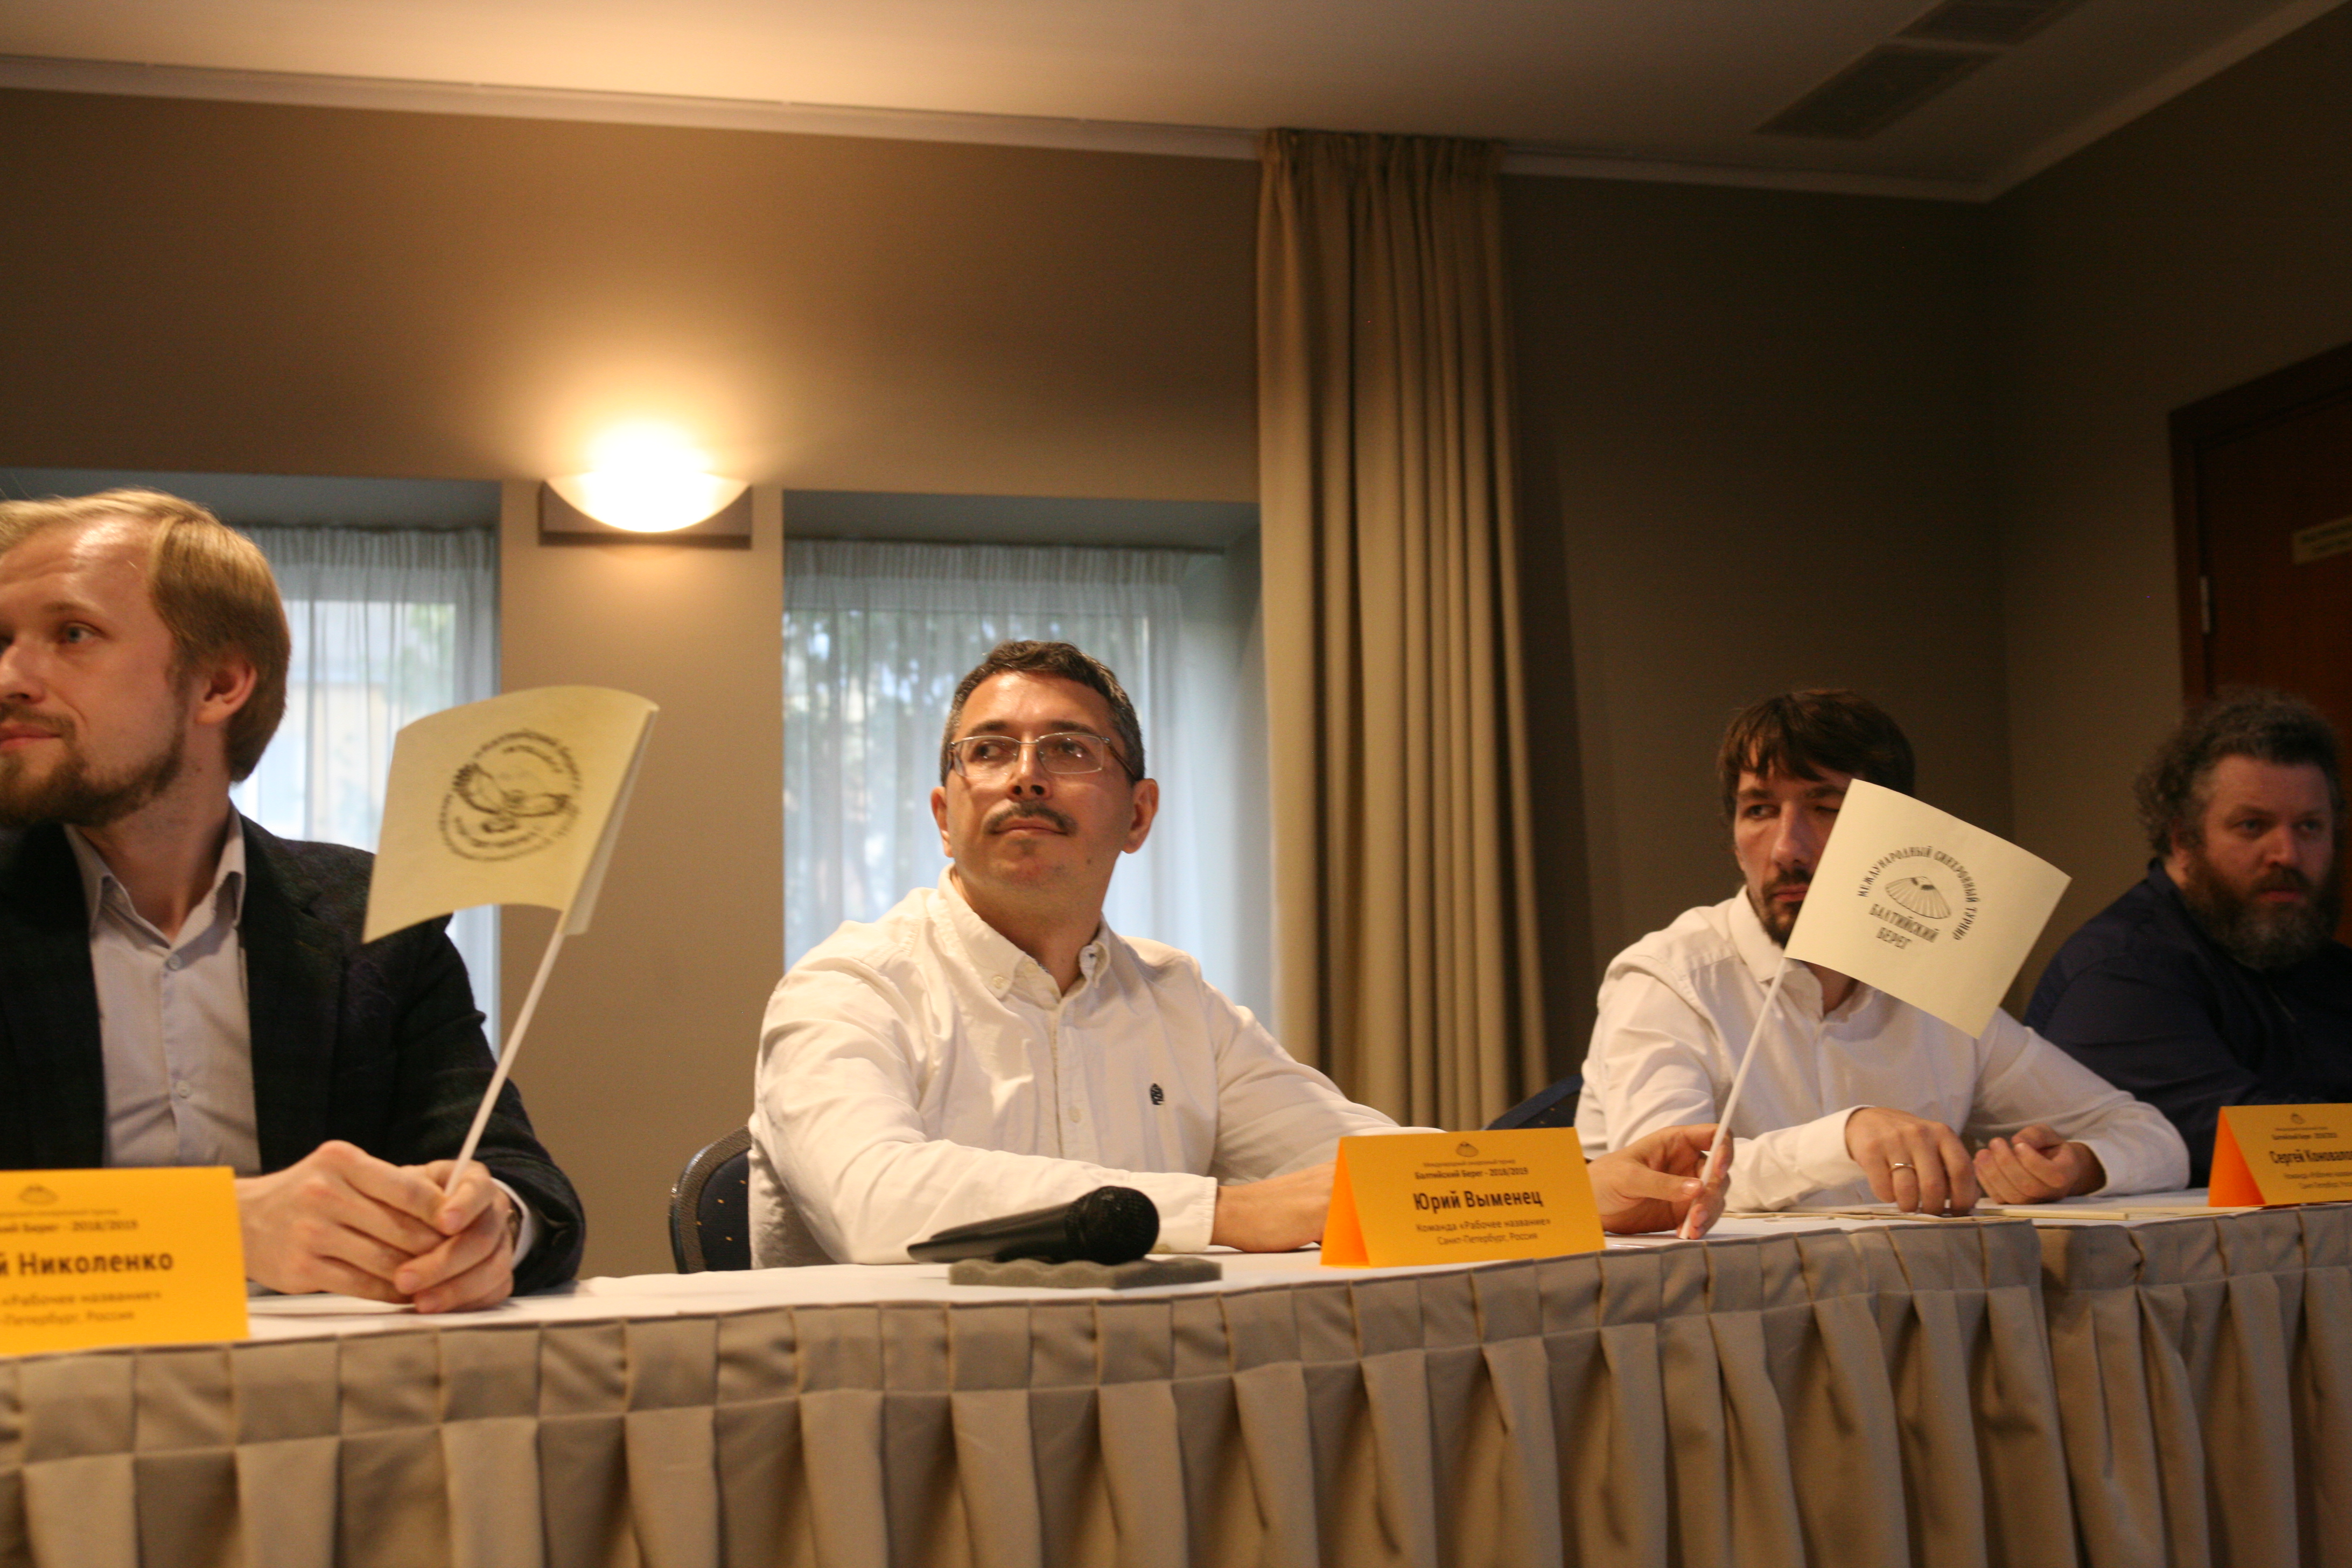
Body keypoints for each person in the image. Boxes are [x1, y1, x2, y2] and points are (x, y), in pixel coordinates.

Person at [752, 639, 1727, 1264]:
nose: (1025, 776)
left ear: (1139, 815)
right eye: (989, 750)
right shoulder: (848, 987)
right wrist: (1224, 1213)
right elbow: (875, 1201)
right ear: (944, 811)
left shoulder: (1177, 1001)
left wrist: (1570, 1185)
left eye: (1070, 749)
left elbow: (1352, 1160)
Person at [0, 489, 582, 1311]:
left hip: (318, 1386)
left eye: (72, 634)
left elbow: (525, 1183)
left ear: (220, 683)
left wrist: (491, 1227)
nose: (10, 678)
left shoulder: (372, 915)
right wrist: (217, 1229)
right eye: (2, 640)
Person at [1574, 689, 2187, 1214]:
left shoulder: (1932, 986)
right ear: (1734, 839)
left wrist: (2077, 1167)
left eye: (1826, 808)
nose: (1787, 848)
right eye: (1759, 810)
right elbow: (1664, 1184)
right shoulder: (1669, 979)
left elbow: (2151, 1138)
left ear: (1898, 834)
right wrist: (1847, 1135)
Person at [2027, 690, 2352, 1184]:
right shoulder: (2121, 973)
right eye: (2252, 826)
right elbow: (2260, 1148)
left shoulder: (2322, 963)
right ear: (2183, 840)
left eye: (2310, 826)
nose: (2287, 853)